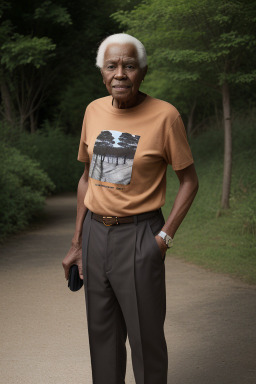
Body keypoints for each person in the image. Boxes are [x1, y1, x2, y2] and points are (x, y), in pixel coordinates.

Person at [62, 33, 198, 384]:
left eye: (129, 65)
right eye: (112, 66)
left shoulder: (166, 117)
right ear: (102, 74)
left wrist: (163, 239)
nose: (120, 73)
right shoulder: (93, 111)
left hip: (140, 236)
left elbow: (189, 181)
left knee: (146, 341)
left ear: (142, 72)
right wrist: (77, 243)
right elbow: (87, 178)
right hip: (94, 235)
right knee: (102, 340)